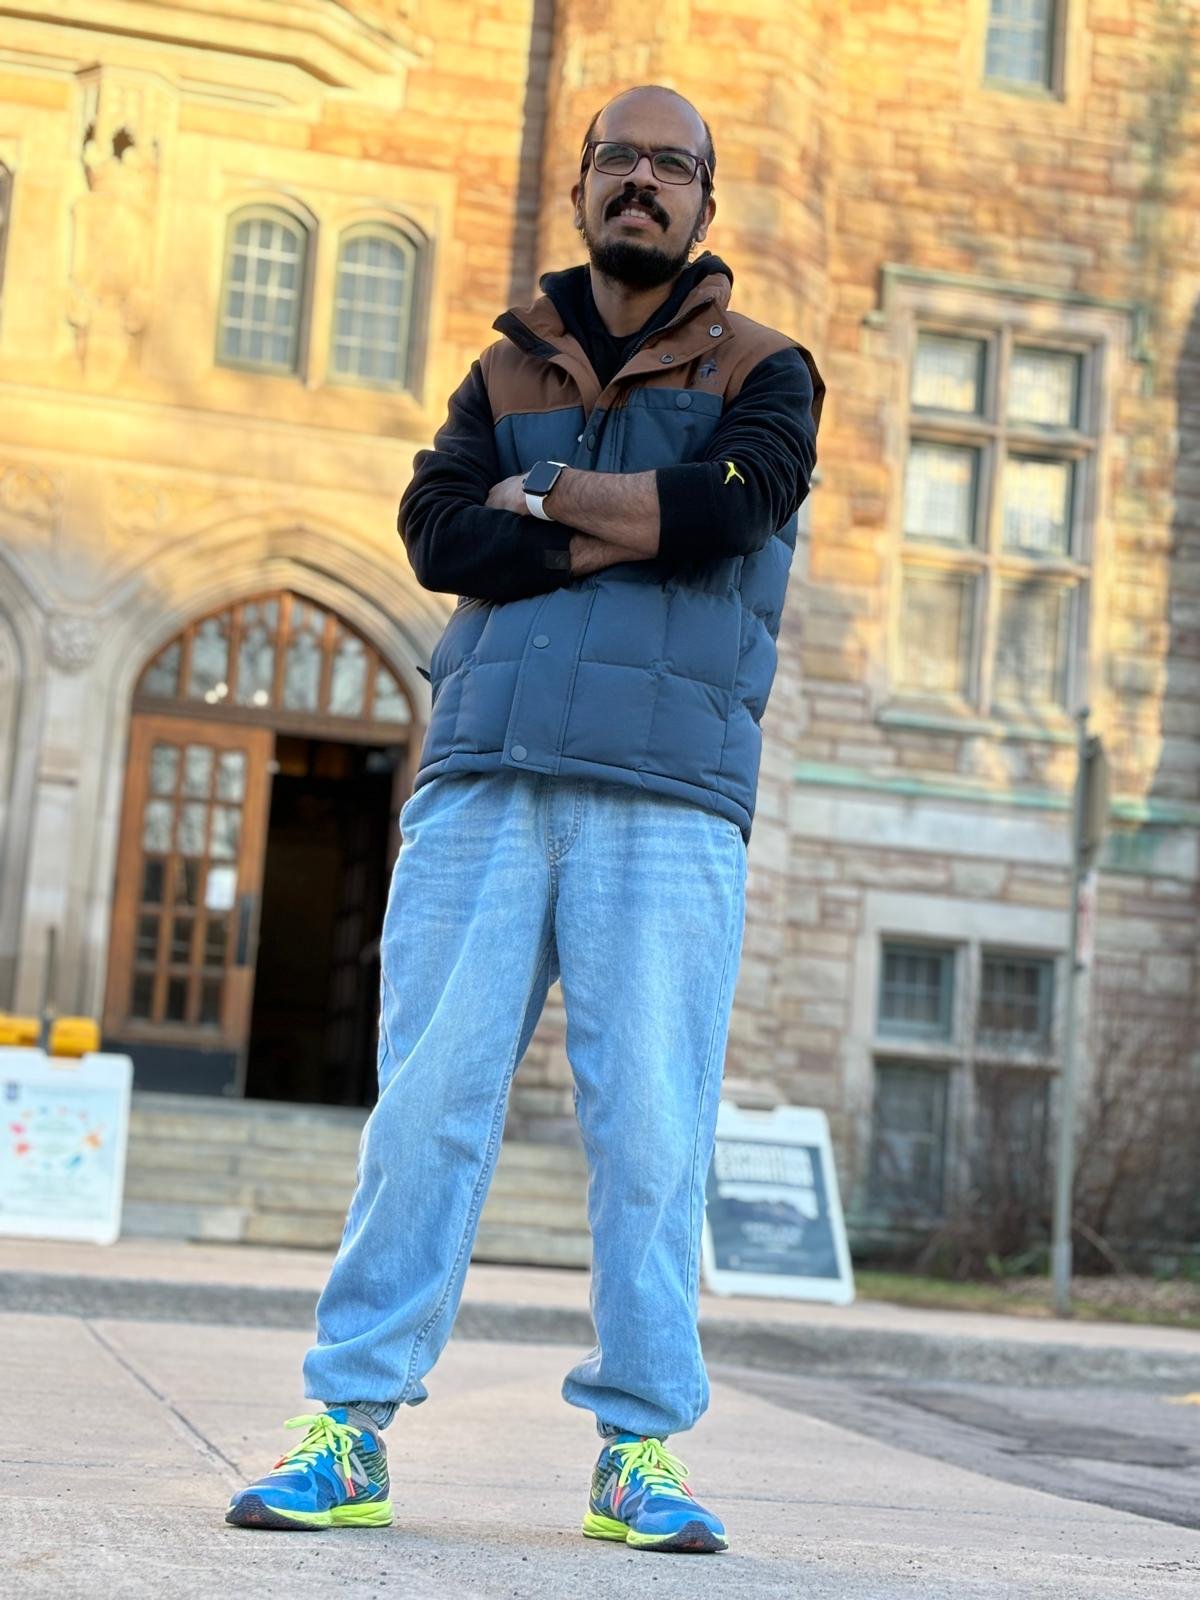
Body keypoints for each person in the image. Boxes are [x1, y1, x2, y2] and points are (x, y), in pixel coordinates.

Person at [226, 83, 824, 1555]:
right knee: (424, 1110)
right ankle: (349, 1430)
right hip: (485, 777)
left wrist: (545, 497)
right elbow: (438, 534)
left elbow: (735, 511)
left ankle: (639, 1450)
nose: (642, 182)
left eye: (671, 165)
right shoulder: (503, 365)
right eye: (619, 159)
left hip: (668, 801)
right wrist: (631, 521)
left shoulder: (767, 368)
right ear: (582, 188)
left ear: (705, 200)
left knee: (652, 1133)